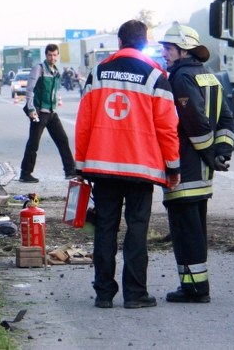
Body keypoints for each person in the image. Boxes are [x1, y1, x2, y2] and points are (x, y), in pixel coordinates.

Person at [74, 20, 180, 309]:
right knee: (137, 229)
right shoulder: (156, 76)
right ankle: (135, 294)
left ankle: (104, 294)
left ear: (119, 42)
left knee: (105, 228)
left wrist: (81, 166)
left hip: (102, 166)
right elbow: (167, 128)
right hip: (141, 169)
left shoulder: (97, 74)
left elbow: (83, 123)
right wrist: (173, 167)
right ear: (144, 42)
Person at [159, 23, 234, 304]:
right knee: (195, 230)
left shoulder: (180, 78)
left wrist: (208, 154)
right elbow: (226, 118)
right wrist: (222, 152)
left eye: (168, 48)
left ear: (182, 50)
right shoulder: (209, 76)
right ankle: (194, 285)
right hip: (202, 174)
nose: (164, 53)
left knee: (185, 232)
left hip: (186, 170)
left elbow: (195, 124)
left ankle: (194, 288)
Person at [19, 44, 76, 182]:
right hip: (39, 113)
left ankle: (70, 171)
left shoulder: (56, 71)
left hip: (51, 113)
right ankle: (25, 174)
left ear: (57, 56)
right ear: (46, 55)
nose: (52, 58)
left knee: (63, 140)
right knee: (33, 143)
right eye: (50, 55)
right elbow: (30, 89)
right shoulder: (39, 69)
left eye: (55, 55)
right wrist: (31, 109)